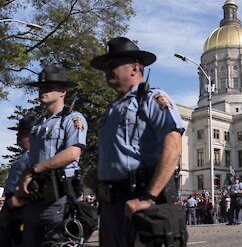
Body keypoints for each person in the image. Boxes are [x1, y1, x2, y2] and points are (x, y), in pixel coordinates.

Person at [86, 37, 185, 247]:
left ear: (134, 68)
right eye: (105, 66)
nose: (106, 70)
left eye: (112, 64)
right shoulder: (110, 111)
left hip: (140, 203)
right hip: (111, 207)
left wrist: (149, 197)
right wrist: (99, 175)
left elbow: (174, 145)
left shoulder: (151, 98)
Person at [17, 66, 88, 247]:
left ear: (63, 91)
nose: (43, 90)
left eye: (49, 87)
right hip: (35, 196)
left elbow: (73, 152)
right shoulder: (38, 124)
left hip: (59, 197)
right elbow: (33, 158)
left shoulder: (72, 118)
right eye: (41, 87)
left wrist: (34, 170)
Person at [0, 115, 36, 247]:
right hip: (10, 205)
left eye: (22, 134)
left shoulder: (36, 157)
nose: (18, 136)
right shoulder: (23, 156)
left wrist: (21, 200)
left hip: (22, 207)